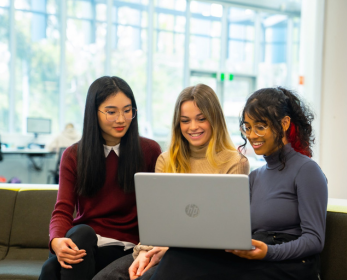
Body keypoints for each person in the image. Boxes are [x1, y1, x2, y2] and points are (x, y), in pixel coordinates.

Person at [147, 87, 328, 280]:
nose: (252, 135)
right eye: (248, 127)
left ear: (284, 123)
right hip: (258, 256)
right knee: (178, 256)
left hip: (291, 266)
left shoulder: (307, 170)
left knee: (182, 263)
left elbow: (315, 240)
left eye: (260, 126)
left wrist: (268, 252)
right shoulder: (255, 177)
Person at [93, 84, 250, 280]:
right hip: (159, 249)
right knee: (105, 278)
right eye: (185, 121)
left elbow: (225, 229)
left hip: (203, 256)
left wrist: (167, 249)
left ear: (215, 119)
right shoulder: (166, 160)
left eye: (201, 119)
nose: (193, 127)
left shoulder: (235, 162)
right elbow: (155, 221)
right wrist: (144, 252)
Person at [39, 76, 161, 280]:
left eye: (128, 110)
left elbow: (159, 208)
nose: (121, 119)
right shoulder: (74, 155)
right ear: (93, 113)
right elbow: (62, 210)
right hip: (87, 241)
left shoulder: (149, 151)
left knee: (50, 271)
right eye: (111, 112)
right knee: (81, 234)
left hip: (126, 247)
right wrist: (56, 241)